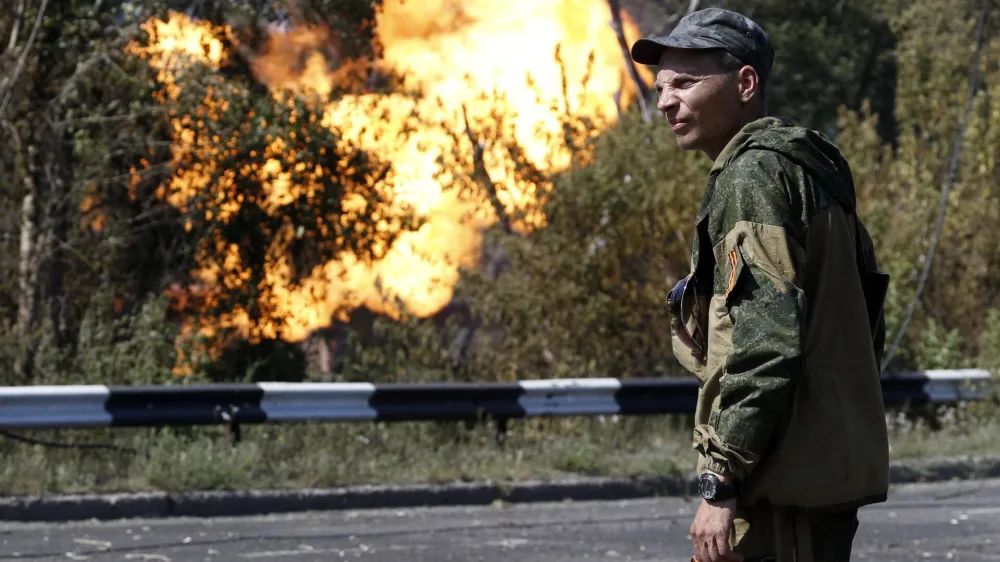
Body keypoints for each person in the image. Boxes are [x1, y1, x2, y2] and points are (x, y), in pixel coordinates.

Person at [629, 8, 891, 562]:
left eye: (686, 82)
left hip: (781, 487)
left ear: (745, 84)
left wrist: (720, 481)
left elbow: (766, 341)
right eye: (660, 87)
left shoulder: (752, 178)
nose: (666, 102)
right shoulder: (805, 170)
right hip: (815, 475)